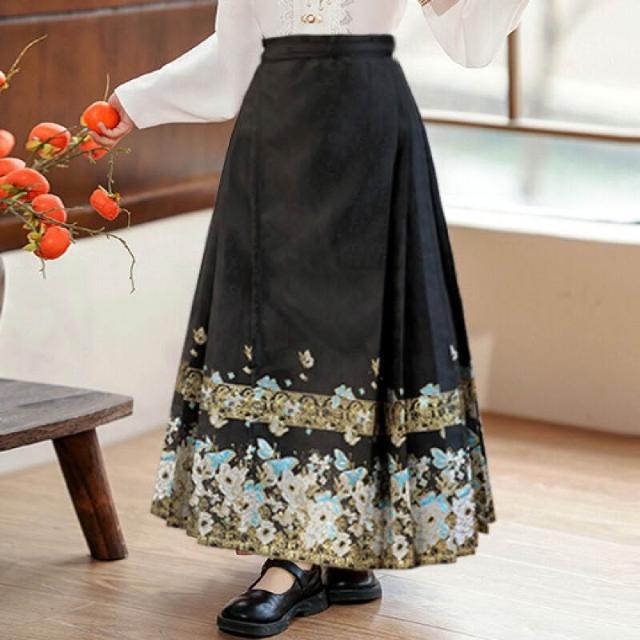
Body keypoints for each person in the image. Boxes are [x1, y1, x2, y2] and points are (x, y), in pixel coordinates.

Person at [93, 1, 529, 637]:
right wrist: (136, 103)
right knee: (279, 329)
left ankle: (309, 555)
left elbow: (469, 41)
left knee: (359, 333)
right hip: (275, 138)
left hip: (368, 134)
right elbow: (232, 63)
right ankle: (320, 551)